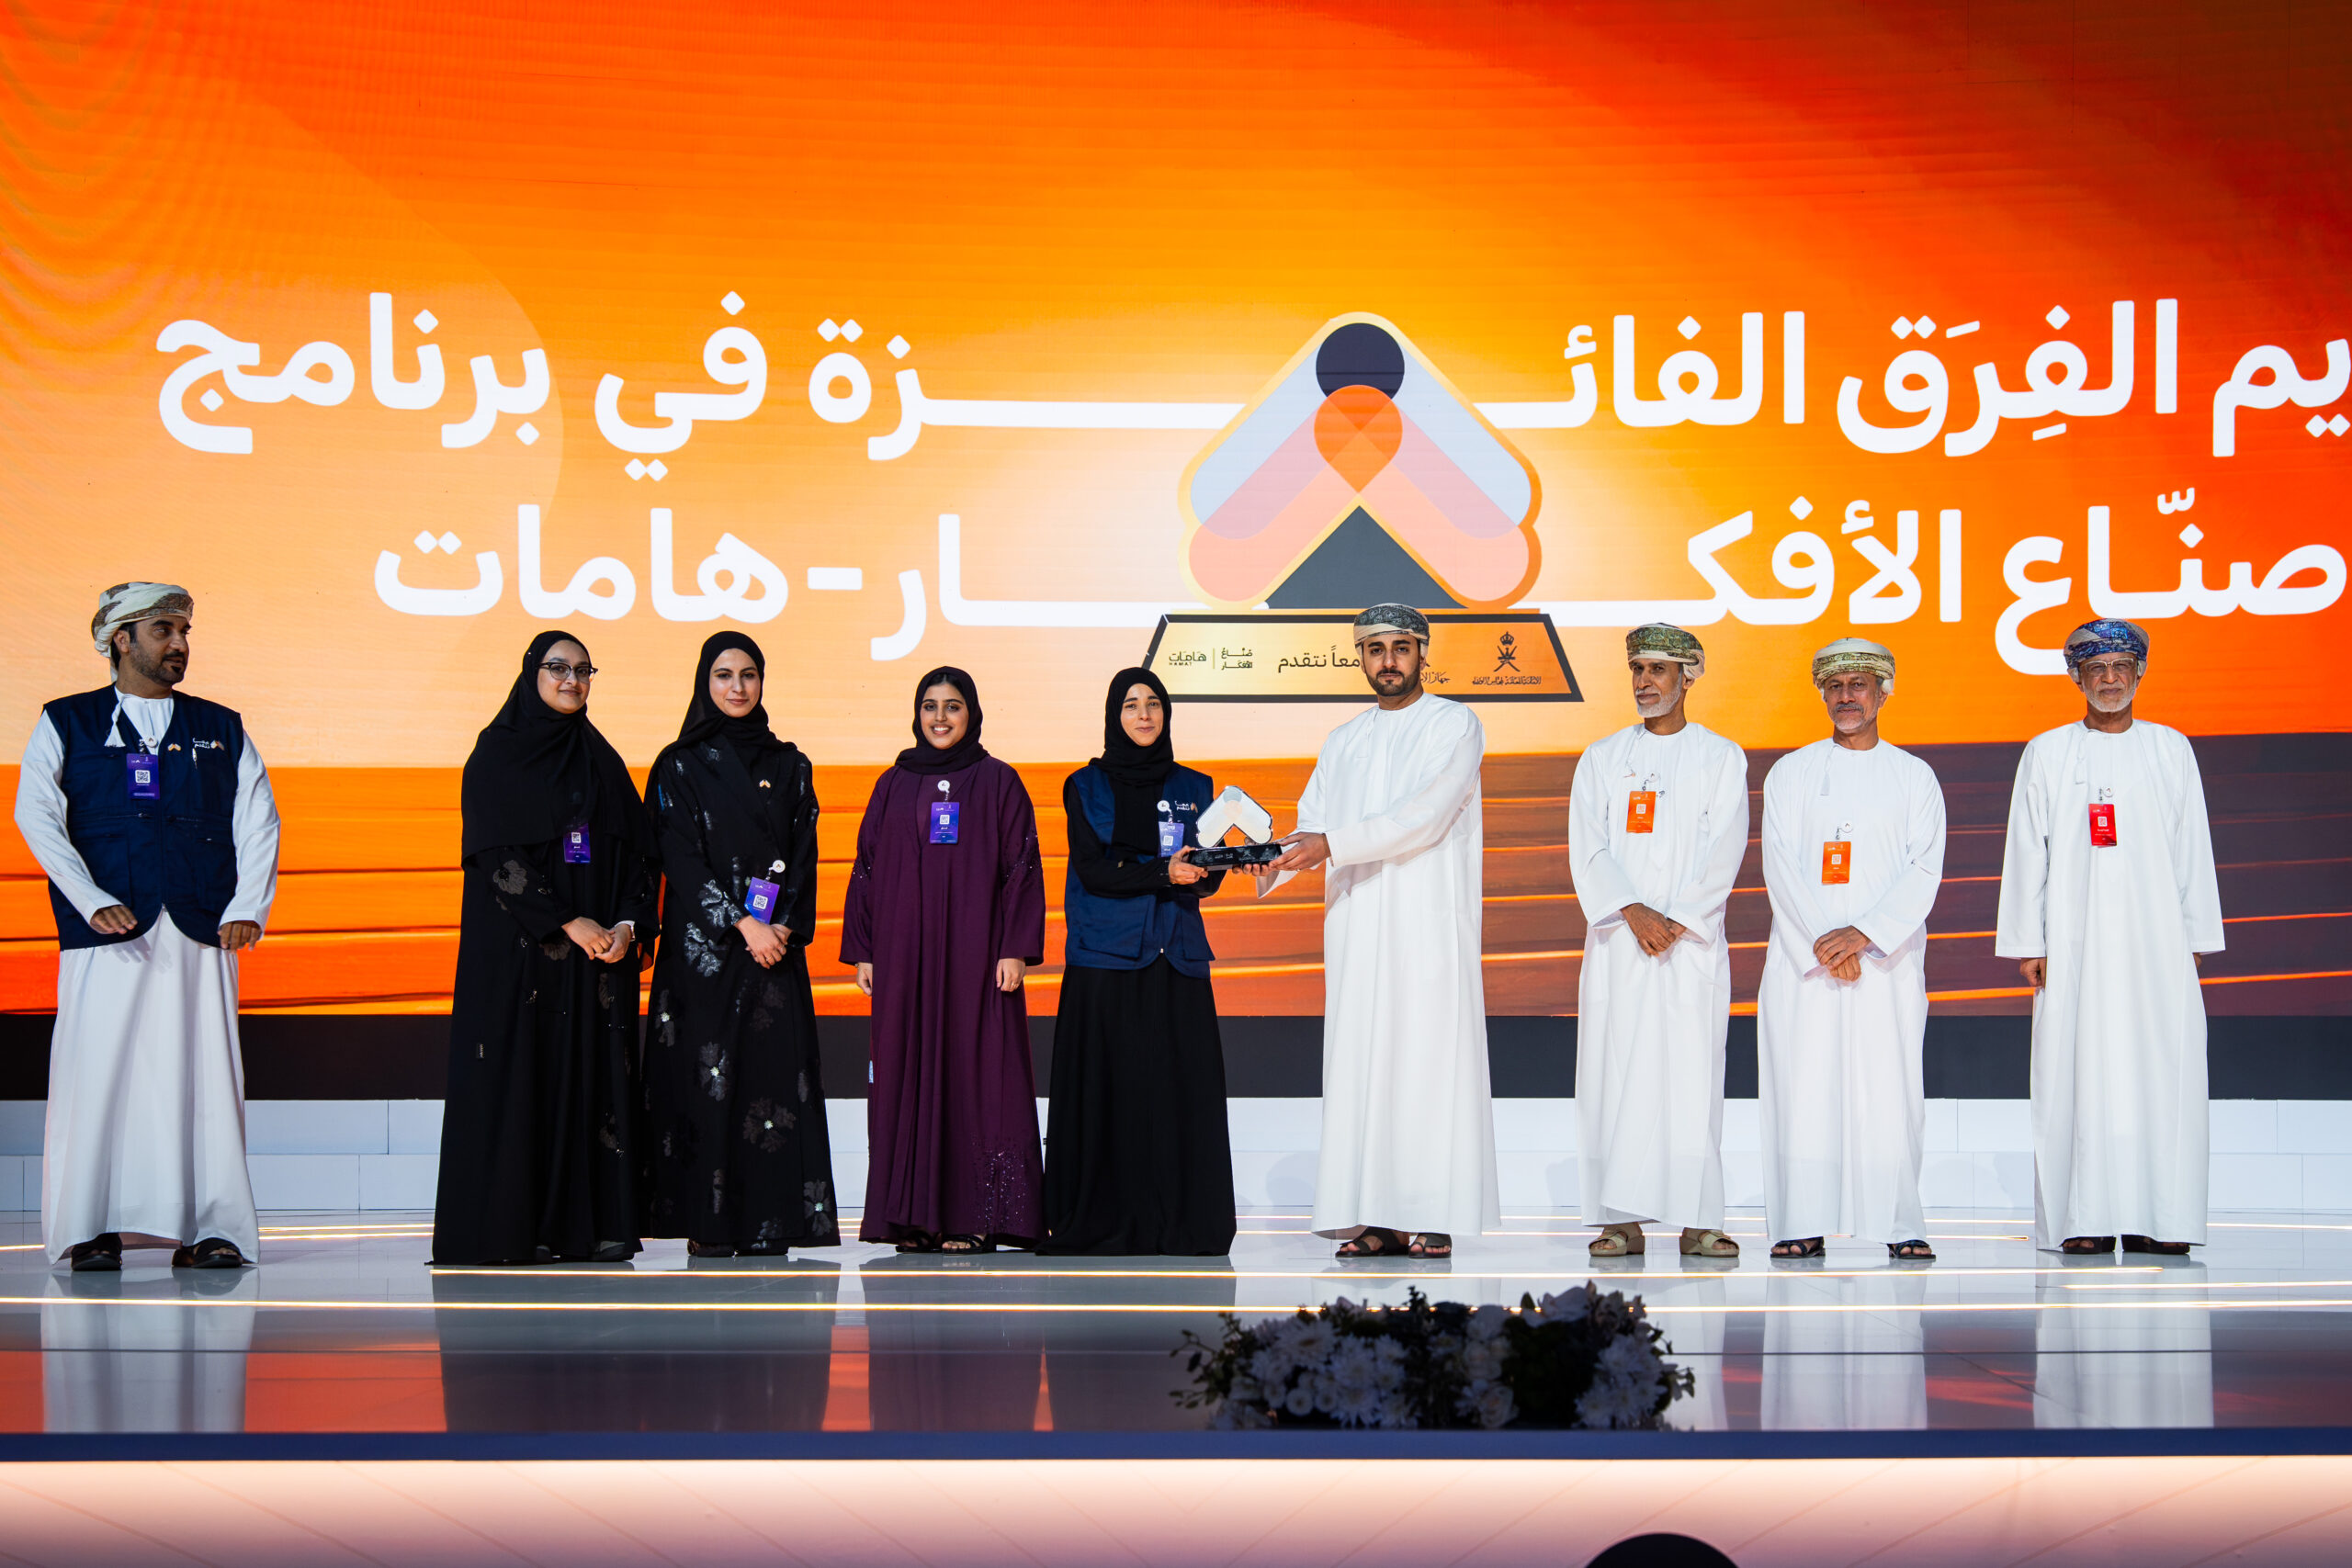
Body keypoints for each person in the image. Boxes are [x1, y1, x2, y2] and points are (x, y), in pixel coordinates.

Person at [14, 582, 279, 1270]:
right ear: (120, 639)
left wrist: (247, 905)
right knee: (98, 1073)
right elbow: (34, 814)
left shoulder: (220, 726)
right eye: (164, 630)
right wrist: (87, 896)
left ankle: (211, 1229)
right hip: (108, 928)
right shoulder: (67, 721)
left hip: (200, 924)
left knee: (205, 1076)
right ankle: (91, 1228)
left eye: (184, 632)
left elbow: (258, 819)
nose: (179, 644)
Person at [1255, 604, 1498, 1259]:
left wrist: (1330, 843)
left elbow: (1425, 815)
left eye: (1400, 648)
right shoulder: (1344, 740)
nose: (1388, 661)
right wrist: (1265, 858)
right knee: (1365, 1065)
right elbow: (1312, 825)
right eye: (1375, 649)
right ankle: (1376, 1218)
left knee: (1427, 1062)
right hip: (1358, 924)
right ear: (1360, 657)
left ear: (1422, 652)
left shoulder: (1455, 724)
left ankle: (1432, 1213)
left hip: (1428, 923)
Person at [432, 630, 659, 1266]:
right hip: (522, 961)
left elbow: (640, 857)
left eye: (584, 670)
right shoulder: (496, 755)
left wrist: (626, 926)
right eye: (558, 667)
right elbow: (493, 855)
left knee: (589, 1083)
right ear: (531, 672)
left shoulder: (602, 761)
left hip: (596, 966)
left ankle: (585, 1229)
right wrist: (566, 921)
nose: (572, 680)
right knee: (523, 1081)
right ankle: (517, 1228)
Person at [1996, 619, 2222, 1257]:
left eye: (2122, 666)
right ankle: (2083, 1218)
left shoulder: (2171, 749)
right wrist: (2030, 941)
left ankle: (2160, 1217)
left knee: (2162, 1070)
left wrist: (2195, 932)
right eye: (2096, 668)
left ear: (2140, 672)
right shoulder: (2047, 751)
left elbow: (2191, 844)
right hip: (2074, 944)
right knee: (2075, 1069)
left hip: (2158, 943)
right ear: (2077, 678)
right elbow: (2027, 850)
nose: (2111, 679)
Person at [640, 632, 839, 1258]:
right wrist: (742, 924)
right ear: (706, 682)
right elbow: (678, 856)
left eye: (748, 674)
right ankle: (710, 1223)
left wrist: (782, 927)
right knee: (709, 1085)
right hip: (706, 956)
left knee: (770, 1084)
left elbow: (804, 854)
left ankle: (771, 1223)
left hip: (774, 952)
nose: (737, 686)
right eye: (724, 674)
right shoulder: (678, 764)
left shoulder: (791, 764)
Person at [842, 667, 1047, 1253]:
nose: (940, 717)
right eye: (930, 706)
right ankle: (912, 1217)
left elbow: (1022, 868)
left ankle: (976, 1216)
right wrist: (864, 949)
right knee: (904, 1075)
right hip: (903, 957)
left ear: (971, 714)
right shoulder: (892, 783)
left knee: (979, 1073)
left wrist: (1014, 947)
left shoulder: (999, 781)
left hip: (978, 958)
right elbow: (866, 867)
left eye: (952, 706)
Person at [1757, 638, 1947, 1263]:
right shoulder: (1791, 772)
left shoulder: (1914, 777)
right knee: (1802, 1087)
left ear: (1883, 691)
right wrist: (1824, 941)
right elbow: (1780, 866)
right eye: (1835, 686)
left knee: (1889, 1090)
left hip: (1885, 965)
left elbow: (1924, 868)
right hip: (1805, 965)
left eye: (1859, 684)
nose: (1847, 696)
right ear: (1822, 693)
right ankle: (1800, 1221)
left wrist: (1863, 934)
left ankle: (1899, 1220)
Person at [1567, 625, 1747, 1259]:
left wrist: (1679, 918)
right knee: (1615, 1076)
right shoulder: (1602, 757)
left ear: (1687, 677)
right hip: (1621, 943)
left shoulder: (1721, 756)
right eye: (1638, 669)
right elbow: (1587, 846)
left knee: (1691, 1078)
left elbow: (1727, 846)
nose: (1645, 681)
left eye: (1658, 670)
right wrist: (1634, 909)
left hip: (1689, 947)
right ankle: (1620, 1221)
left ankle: (1699, 1221)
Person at [1043, 668, 1236, 1256]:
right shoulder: (1084, 786)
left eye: (1154, 704)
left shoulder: (1196, 786)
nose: (1144, 715)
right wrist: (1163, 872)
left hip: (1175, 955)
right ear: (1114, 715)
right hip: (1105, 956)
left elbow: (1202, 877)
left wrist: (1226, 864)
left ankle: (1180, 1223)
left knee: (1177, 1095)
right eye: (1130, 705)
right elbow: (1094, 871)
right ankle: (1103, 1219)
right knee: (1110, 1094)